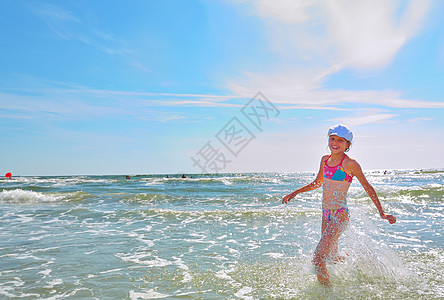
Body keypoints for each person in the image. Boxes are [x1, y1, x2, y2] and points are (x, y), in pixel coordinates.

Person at [282, 124, 396, 285]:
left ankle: (326, 293)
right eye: (332, 138)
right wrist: (296, 192)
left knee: (318, 258)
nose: (335, 142)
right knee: (331, 258)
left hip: (340, 214)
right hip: (326, 214)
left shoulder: (350, 164)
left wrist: (382, 213)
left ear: (347, 145)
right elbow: (317, 183)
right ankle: (357, 261)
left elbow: (367, 187)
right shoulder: (324, 160)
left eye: (340, 140)